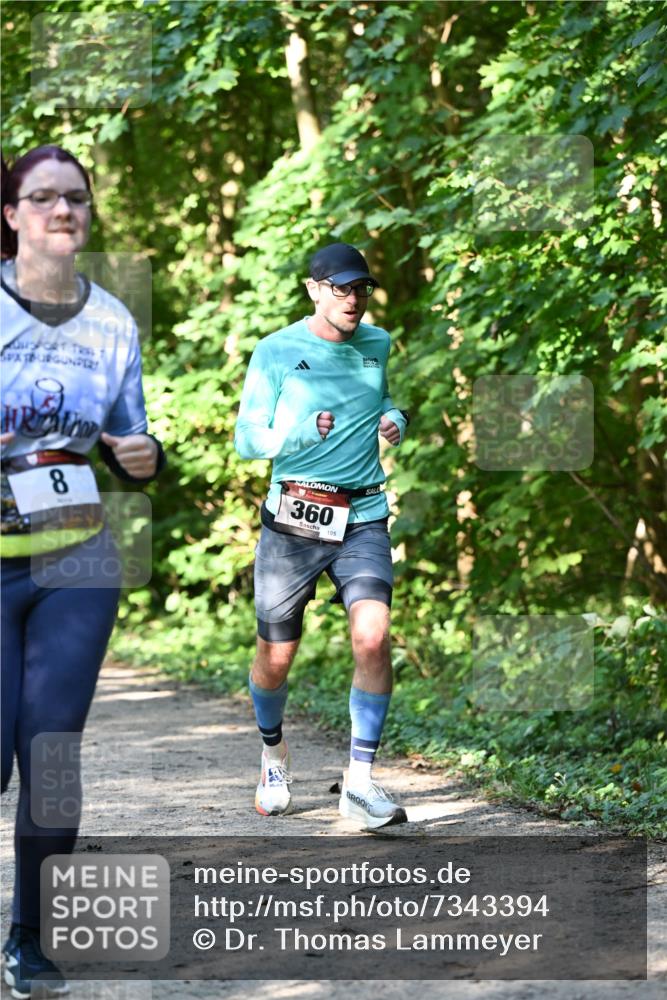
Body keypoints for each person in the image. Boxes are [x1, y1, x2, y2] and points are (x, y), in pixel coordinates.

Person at [1, 145, 164, 998]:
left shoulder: (112, 322)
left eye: (77, 199)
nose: (63, 211)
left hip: (75, 554)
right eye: (43, 197)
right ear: (13, 213)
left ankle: (30, 938)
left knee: (52, 753)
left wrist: (146, 455)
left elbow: (133, 438)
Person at [235, 241, 409, 832]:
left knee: (373, 636)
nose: (353, 299)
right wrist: (301, 431)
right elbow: (248, 439)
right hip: (294, 520)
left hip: (362, 515)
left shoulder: (378, 344)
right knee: (276, 658)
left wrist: (396, 418)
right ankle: (273, 753)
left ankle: (358, 784)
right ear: (314, 289)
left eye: (360, 288)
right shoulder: (277, 351)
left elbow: (382, 399)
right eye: (341, 288)